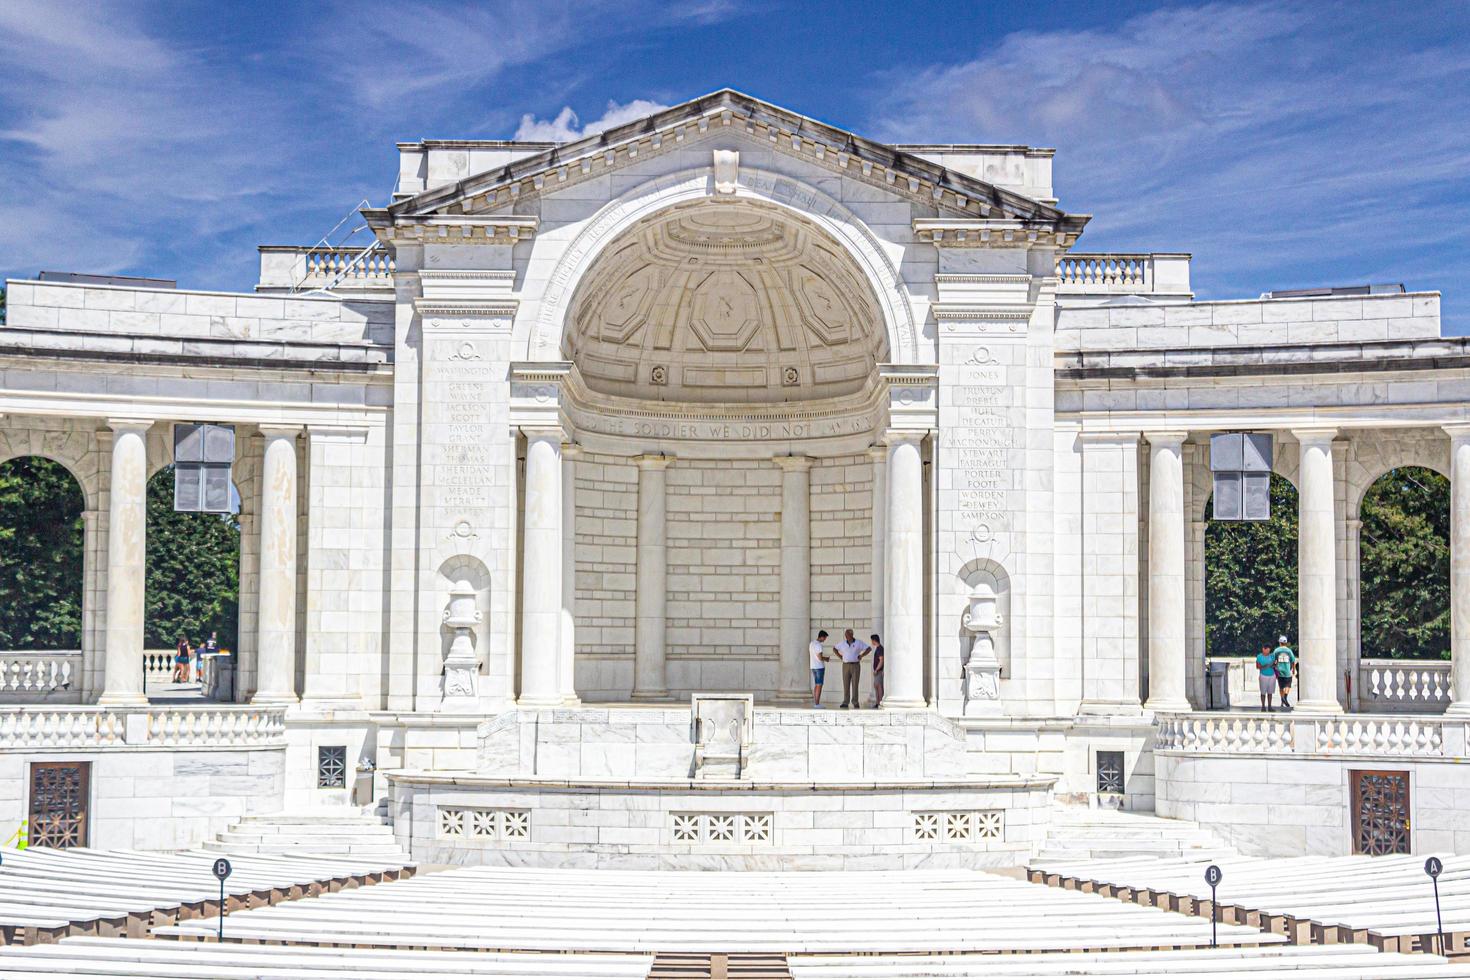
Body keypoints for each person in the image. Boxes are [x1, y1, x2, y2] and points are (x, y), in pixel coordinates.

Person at [835, 629, 870, 709]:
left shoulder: (858, 642)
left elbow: (868, 648)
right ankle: (845, 702)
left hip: (855, 665)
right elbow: (834, 648)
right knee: (846, 684)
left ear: (852, 635)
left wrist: (862, 655)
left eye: (848, 635)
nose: (846, 636)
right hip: (845, 665)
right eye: (846, 635)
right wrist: (840, 656)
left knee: (855, 684)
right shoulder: (843, 643)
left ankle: (855, 702)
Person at [1273, 635, 1297, 710]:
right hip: (1287, 671)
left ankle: (1282, 700)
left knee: (1281, 687)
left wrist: (1275, 667)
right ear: (1286, 643)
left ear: (1280, 642)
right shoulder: (1289, 651)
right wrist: (1293, 670)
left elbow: (1273, 660)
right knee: (1288, 686)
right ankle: (1285, 697)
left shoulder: (1276, 651)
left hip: (1279, 671)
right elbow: (1293, 661)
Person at [809, 630, 831, 709]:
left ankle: (816, 702)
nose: (825, 640)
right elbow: (820, 657)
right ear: (822, 637)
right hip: (819, 667)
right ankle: (817, 704)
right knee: (819, 685)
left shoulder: (812, 643)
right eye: (825, 638)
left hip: (813, 666)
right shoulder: (818, 645)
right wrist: (826, 659)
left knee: (816, 685)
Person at [1255, 643, 1277, 711]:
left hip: (1272, 675)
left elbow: (1275, 665)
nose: (1268, 651)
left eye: (1269, 650)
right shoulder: (1259, 656)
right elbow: (1257, 666)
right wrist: (1265, 666)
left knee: (1270, 692)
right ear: (1263, 649)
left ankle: (1270, 706)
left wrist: (1273, 665)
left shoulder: (1272, 656)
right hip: (1263, 675)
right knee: (1263, 692)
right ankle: (1263, 706)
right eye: (1267, 650)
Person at [869, 634, 885, 708]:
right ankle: (878, 702)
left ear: (874, 640)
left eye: (872, 640)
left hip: (878, 671)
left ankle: (880, 702)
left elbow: (881, 660)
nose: (871, 642)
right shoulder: (878, 648)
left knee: (879, 686)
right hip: (877, 670)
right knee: (876, 686)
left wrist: (877, 669)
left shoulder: (880, 649)